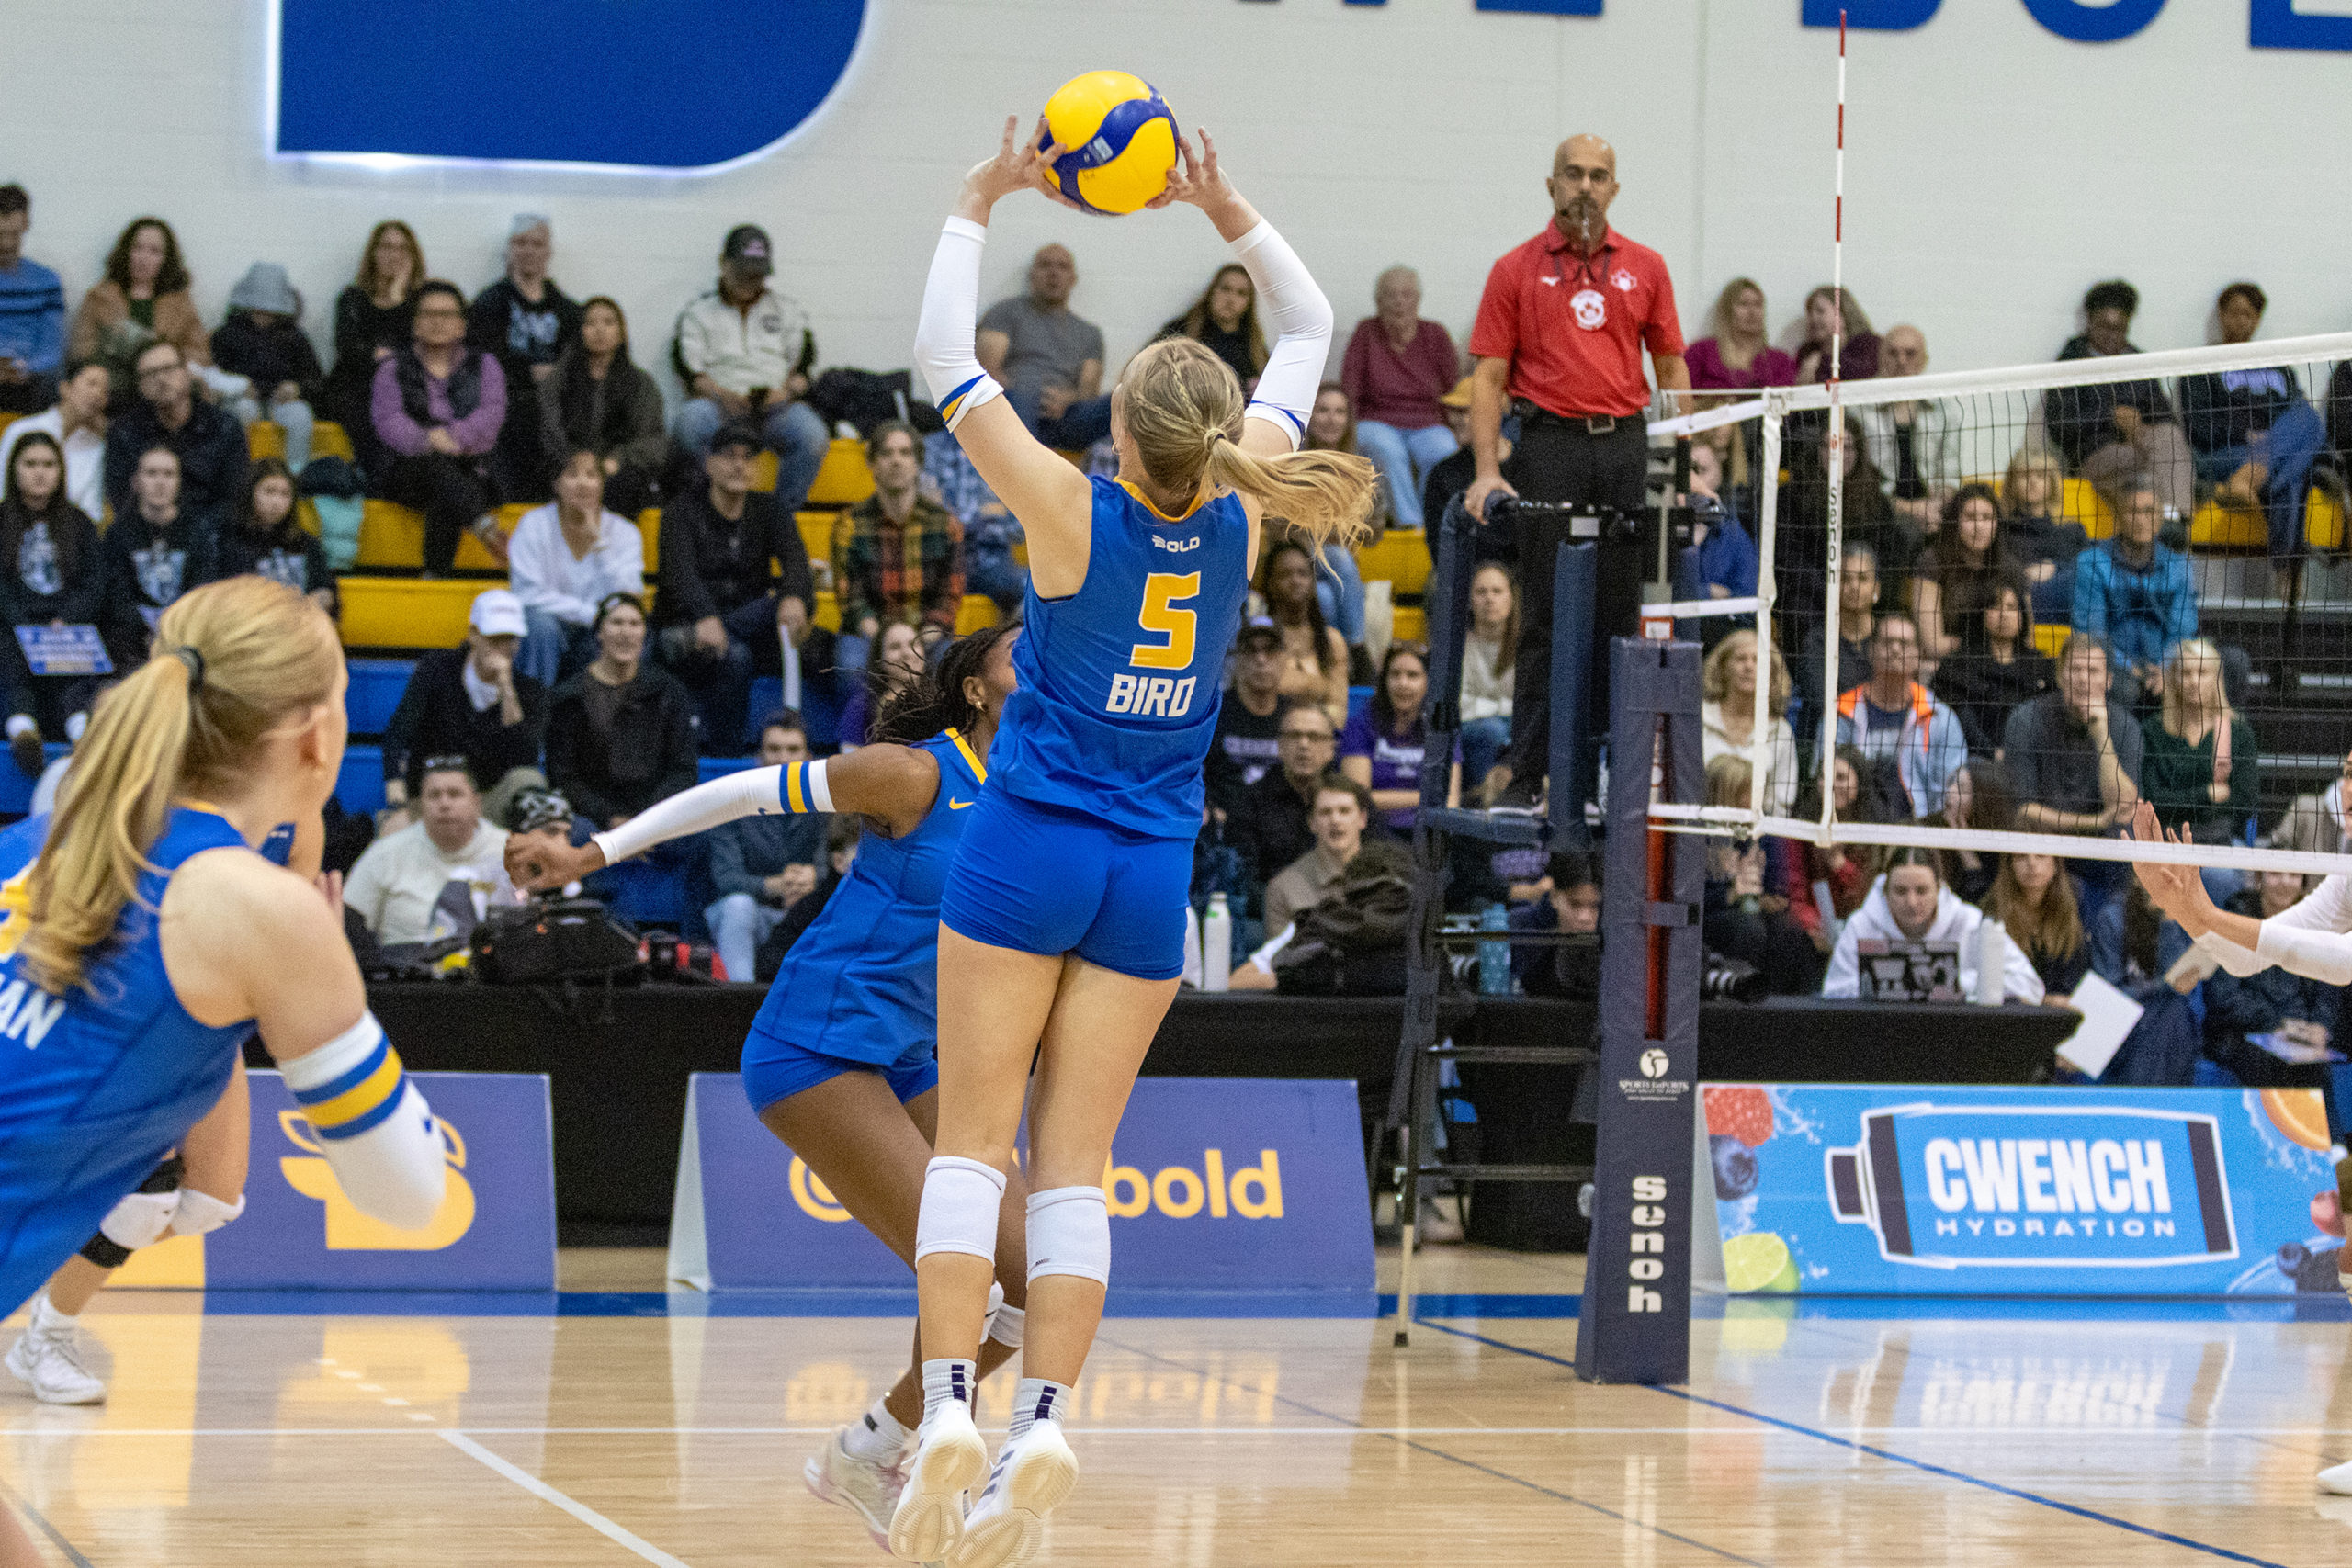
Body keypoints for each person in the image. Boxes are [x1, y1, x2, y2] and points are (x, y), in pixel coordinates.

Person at [893, 117, 1373, 1564]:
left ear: (1116, 433)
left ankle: (946, 1410)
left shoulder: (1066, 507)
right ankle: (1042, 1418)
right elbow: (1311, 319)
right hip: (1149, 874)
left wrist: (978, 194)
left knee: (972, 1145)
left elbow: (940, 356)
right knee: (1075, 1167)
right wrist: (1224, 202)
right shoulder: (1239, 500)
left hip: (1029, 846)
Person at [505, 628, 1034, 1553]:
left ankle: (868, 1446)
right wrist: (595, 852)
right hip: (816, 1046)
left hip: (915, 1050)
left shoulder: (1044, 794)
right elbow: (744, 793)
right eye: (1020, 655)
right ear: (976, 690)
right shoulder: (915, 773)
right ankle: (892, 1451)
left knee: (1033, 1279)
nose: (1044, 665)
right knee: (967, 1272)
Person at [0, 576, 449, 1565]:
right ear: (318, 736)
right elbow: (410, 1193)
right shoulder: (259, 909)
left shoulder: (46, 841)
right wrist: (324, 999)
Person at [1465, 132, 1688, 809]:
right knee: (1545, 617)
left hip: (1624, 446)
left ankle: (1611, 776)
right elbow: (1489, 378)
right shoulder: (1514, 269)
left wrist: (1680, 466)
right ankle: (1527, 775)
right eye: (1573, 174)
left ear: (1614, 188)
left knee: (1620, 622)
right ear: (1552, 185)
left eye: (1597, 175)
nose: (1585, 186)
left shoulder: (1647, 267)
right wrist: (1486, 470)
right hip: (1549, 445)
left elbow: (1671, 367)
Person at [5, 1066, 249, 1404]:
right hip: (119, 1038)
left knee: (207, 1203)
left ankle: (45, 1319)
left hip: (216, 1039)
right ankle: (51, 1333)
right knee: (143, 1200)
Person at [653, 423, 817, 748]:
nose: (739, 465)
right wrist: (705, 616)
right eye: (729, 456)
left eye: (748, 458)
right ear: (709, 463)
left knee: (806, 620)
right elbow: (679, 577)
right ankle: (726, 754)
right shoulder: (680, 512)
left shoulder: (770, 508)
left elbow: (797, 563)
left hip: (745, 624)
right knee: (736, 655)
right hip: (690, 623)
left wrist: (794, 597)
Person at [672, 224, 829, 514]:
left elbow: (804, 370)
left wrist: (786, 392)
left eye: (757, 274)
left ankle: (779, 517)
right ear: (724, 264)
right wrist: (720, 394)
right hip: (720, 407)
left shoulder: (787, 310)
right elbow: (691, 372)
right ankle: (707, 514)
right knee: (689, 422)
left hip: (775, 409)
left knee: (812, 434)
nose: (750, 281)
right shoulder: (698, 313)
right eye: (743, 272)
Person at [2180, 281, 2327, 575]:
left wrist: (2269, 443)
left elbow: (2296, 420)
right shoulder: (2200, 364)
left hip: (2270, 452)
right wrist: (2244, 435)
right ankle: (2286, 576)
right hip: (2225, 454)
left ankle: (2250, 476)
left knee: (2308, 419)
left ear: (2258, 319)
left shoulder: (2278, 366)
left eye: (2248, 314)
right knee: (2295, 471)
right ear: (2221, 315)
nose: (2241, 320)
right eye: (2234, 312)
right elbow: (2198, 427)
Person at [379, 589, 550, 829]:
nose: (502, 648)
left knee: (529, 779)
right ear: (473, 635)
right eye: (494, 638)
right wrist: (395, 784)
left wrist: (507, 691)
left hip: (489, 804)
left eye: (510, 639)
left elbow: (526, 759)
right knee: (394, 825)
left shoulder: (529, 691)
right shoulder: (435, 671)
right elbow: (399, 730)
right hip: (437, 795)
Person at [370, 280, 506, 574]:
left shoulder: (486, 365)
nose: (438, 322)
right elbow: (388, 420)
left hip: (472, 465)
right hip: (410, 471)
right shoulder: (391, 368)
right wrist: (427, 439)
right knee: (438, 468)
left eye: (446, 314)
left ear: (462, 325)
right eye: (429, 314)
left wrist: (453, 436)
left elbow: (492, 414)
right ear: (415, 324)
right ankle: (483, 527)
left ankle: (436, 575)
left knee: (447, 487)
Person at [2007, 632, 2142, 913]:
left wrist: (2102, 735)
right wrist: (2094, 822)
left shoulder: (2126, 726)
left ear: (2109, 680)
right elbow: (2024, 809)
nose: (2083, 679)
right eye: (2075, 669)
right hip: (2046, 847)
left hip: (2104, 854)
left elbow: (2123, 806)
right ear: (2060, 676)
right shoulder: (2026, 719)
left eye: (2093, 671)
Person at [546, 593, 699, 829]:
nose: (626, 632)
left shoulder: (669, 691)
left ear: (644, 634)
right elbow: (562, 776)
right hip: (592, 817)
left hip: (655, 816)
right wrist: (609, 818)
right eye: (616, 623)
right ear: (599, 632)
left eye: (634, 624)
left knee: (698, 837)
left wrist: (647, 821)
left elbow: (683, 769)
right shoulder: (569, 696)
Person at [0, 431, 104, 774]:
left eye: (48, 464)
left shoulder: (80, 524)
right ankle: (22, 729)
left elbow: (94, 583)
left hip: (66, 626)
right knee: (10, 652)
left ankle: (82, 733)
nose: (39, 473)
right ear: (14, 470)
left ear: (60, 471)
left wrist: (67, 618)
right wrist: (21, 622)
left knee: (74, 656)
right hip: (12, 624)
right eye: (30, 464)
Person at [2045, 280, 2192, 517]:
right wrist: (2110, 417)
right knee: (2139, 466)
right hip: (2095, 452)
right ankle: (2162, 520)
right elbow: (2060, 425)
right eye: (2104, 327)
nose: (2111, 336)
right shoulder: (2070, 361)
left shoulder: (2137, 360)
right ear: (2090, 322)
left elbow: (2164, 414)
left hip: (2141, 444)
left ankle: (2175, 519)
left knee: (2170, 437)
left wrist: (2138, 425)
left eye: (2119, 329)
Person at [1822, 847, 2043, 1001]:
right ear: (1885, 891)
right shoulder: (1862, 925)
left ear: (1938, 889)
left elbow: (2030, 986)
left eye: (1922, 890)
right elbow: (1833, 991)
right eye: (1900, 891)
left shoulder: (1968, 921)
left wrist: (1954, 984)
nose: (1911, 902)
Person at [699, 714, 827, 983]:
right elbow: (726, 879)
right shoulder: (731, 802)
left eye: (793, 750)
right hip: (752, 915)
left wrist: (815, 878)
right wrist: (778, 885)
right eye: (774, 749)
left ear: (808, 757)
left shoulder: (827, 804)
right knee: (737, 905)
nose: (783, 758)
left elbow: (840, 864)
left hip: (806, 912)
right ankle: (740, 998)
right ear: (759, 756)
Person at [832, 422, 965, 677]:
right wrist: (889, 642)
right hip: (871, 634)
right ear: (872, 463)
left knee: (950, 667)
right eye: (886, 453)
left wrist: (916, 643)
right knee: (850, 667)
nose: (896, 461)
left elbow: (948, 597)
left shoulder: (947, 524)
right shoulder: (849, 524)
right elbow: (851, 599)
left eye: (905, 453)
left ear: (918, 464)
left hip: (928, 635)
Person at [508, 447, 648, 690]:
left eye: (591, 475)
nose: (583, 483)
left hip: (597, 630)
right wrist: (589, 614)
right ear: (556, 484)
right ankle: (536, 707)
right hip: (550, 627)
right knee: (540, 626)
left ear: (602, 484)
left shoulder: (626, 532)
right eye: (572, 474)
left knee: (621, 631)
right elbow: (527, 593)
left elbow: (628, 597)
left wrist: (600, 545)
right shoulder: (533, 525)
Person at [467, 214, 582, 502]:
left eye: (536, 244)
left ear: (548, 252)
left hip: (555, 406)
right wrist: (527, 373)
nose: (528, 250)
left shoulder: (569, 311)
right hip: (504, 404)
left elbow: (577, 365)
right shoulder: (488, 303)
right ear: (509, 249)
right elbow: (479, 360)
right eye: (520, 243)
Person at [342, 759, 514, 947]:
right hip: (406, 961)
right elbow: (345, 927)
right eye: (434, 796)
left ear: (477, 803)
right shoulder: (384, 854)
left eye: (455, 794)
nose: (444, 804)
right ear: (420, 806)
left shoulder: (510, 850)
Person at [1340, 266, 1461, 533]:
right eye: (1390, 295)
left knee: (1444, 450)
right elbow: (1350, 387)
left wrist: (1456, 427)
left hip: (1427, 421)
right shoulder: (1366, 332)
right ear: (1378, 301)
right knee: (1387, 450)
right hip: (1376, 419)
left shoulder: (1436, 334)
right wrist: (1347, 431)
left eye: (1406, 295)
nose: (1399, 302)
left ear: (1418, 300)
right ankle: (1411, 525)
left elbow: (1454, 389)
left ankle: (1435, 523)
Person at [2072, 480, 2197, 710]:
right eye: (2133, 511)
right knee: (2123, 688)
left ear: (2160, 517)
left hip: (2165, 666)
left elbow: (2182, 630)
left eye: (2149, 511)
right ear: (2119, 516)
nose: (2141, 520)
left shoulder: (2179, 566)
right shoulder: (2092, 563)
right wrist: (2131, 669)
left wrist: (2166, 668)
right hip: (2113, 667)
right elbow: (2092, 633)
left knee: (2226, 665)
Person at [540, 296, 670, 517]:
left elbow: (654, 442)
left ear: (621, 333)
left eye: (609, 323)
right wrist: (577, 465)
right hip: (567, 466)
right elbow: (550, 431)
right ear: (579, 332)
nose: (599, 330)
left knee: (627, 484)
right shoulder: (559, 381)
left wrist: (617, 459)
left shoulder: (640, 383)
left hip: (617, 471)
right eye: (590, 323)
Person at [1701, 755, 1818, 994]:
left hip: (1752, 914)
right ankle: (1740, 994)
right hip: (1711, 919)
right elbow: (1690, 901)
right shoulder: (1695, 836)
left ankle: (1777, 1004)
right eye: (1746, 793)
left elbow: (1777, 887)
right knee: (1749, 929)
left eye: (1755, 793)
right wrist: (1730, 894)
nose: (1753, 801)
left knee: (1790, 933)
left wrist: (1772, 898)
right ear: (1726, 795)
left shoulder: (1764, 833)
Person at [1834, 613, 1967, 819]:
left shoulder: (1941, 718)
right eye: (1887, 642)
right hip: (1854, 828)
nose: (1895, 649)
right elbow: (1823, 782)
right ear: (1871, 651)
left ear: (1918, 655)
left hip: (1921, 830)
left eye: (1904, 644)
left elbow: (1951, 787)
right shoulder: (1841, 713)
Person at [100, 445, 220, 671]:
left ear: (179, 482)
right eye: (151, 473)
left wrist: (174, 631)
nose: (160, 482)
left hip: (186, 638)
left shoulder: (198, 531)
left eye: (169, 474)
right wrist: (143, 632)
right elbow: (117, 595)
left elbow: (202, 588)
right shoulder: (118, 533)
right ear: (136, 481)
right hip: (132, 643)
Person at [104, 340, 248, 525]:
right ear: (141, 387)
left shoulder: (224, 427)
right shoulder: (124, 433)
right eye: (151, 374)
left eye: (168, 369)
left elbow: (235, 499)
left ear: (186, 373)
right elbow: (122, 500)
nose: (161, 379)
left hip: (211, 533)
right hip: (147, 531)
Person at [978, 243, 1106, 449]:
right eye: (1045, 265)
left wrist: (1067, 399)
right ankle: (1024, 459)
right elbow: (985, 372)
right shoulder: (1005, 313)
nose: (1054, 273)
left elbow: (1088, 392)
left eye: (1062, 267)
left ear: (1073, 279)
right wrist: (1026, 393)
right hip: (1013, 408)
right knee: (1027, 385)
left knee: (1121, 401)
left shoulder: (1090, 333)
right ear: (1032, 275)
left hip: (1066, 418)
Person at [68, 217, 212, 393]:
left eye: (154, 252)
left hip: (163, 388)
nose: (143, 258)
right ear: (126, 252)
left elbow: (198, 354)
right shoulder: (99, 297)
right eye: (137, 248)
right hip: (113, 387)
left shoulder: (180, 304)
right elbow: (82, 353)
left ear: (166, 260)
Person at [328, 220, 426, 474]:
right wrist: (384, 357)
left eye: (402, 249)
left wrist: (397, 298)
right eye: (386, 247)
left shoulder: (421, 304)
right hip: (356, 389)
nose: (394, 255)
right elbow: (349, 349)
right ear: (373, 253)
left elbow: (419, 354)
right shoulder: (352, 298)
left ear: (412, 257)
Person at [2140, 637, 2257, 844]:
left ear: (2216, 678)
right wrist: (2207, 794)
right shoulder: (2153, 730)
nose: (2194, 681)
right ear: (2175, 678)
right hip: (2164, 840)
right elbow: (2153, 800)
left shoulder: (2238, 732)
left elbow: (2245, 802)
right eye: (2186, 673)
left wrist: (2178, 802)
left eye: (2202, 673)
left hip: (2218, 841)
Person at [210, 263, 323, 473]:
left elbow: (316, 380)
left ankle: (294, 475)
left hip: (283, 401)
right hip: (241, 399)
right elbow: (213, 376)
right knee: (241, 411)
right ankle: (238, 473)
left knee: (301, 416)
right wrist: (236, 387)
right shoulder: (227, 335)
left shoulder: (295, 338)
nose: (263, 313)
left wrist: (297, 389)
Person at [1295, 382, 1377, 654]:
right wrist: (1335, 530)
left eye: (1340, 412)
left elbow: (1374, 529)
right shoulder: (1291, 461)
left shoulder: (1362, 466)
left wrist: (1332, 529)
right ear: (1309, 416)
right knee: (1338, 557)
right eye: (1323, 410)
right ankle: (1357, 649)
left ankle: (1333, 660)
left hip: (1342, 567)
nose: (1332, 419)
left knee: (1326, 598)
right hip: (1300, 556)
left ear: (1348, 419)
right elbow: (1283, 525)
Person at [1228, 701, 1339, 903]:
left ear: (1331, 749)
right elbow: (1242, 879)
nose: (1304, 745)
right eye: (1294, 736)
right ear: (1279, 746)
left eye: (1314, 737)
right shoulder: (1251, 802)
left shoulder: (1349, 800)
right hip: (1273, 908)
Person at [1932, 573, 2052, 758]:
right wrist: (1993, 753)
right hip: (1974, 758)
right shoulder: (1959, 663)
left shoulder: (2039, 665)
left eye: (2011, 607)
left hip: (2029, 758)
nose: (2004, 615)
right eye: (1995, 606)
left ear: (2022, 616)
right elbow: (1961, 719)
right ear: (1981, 613)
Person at [1340, 642, 1455, 831]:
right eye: (1395, 674)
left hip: (1427, 832)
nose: (1403, 683)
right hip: (1374, 830)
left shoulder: (1441, 729)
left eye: (1412, 675)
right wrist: (1424, 798)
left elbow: (1450, 802)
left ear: (1429, 682)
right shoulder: (1360, 724)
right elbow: (1357, 799)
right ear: (1384, 680)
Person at [1854, 325, 1955, 529]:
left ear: (1924, 360)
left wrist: (1934, 506)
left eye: (1910, 353)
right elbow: (1857, 481)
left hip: (1932, 510)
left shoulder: (1944, 408)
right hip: (1879, 511)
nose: (1901, 361)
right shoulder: (1858, 407)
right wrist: (1909, 509)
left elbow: (1951, 469)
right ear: (1881, 358)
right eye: (1893, 353)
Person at [216, 457, 335, 615]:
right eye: (269, 491)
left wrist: (321, 598)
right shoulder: (228, 540)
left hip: (299, 625)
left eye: (285, 494)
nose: (277, 502)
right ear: (251, 493)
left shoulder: (307, 543)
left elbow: (327, 591)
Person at [1913, 483, 2012, 669]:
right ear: (1955, 522)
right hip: (1946, 667)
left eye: (1987, 517)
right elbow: (1932, 644)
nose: (1979, 526)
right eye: (1970, 517)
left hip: (1998, 668)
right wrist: (1992, 646)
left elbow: (2025, 640)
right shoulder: (1933, 562)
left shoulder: (2009, 568)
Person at [1700, 628, 1797, 818]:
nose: (1749, 667)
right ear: (1723, 667)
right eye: (1740, 659)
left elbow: (1781, 802)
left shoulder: (1781, 731)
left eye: (1757, 660)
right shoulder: (1700, 719)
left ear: (1771, 674)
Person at [1262, 773, 1374, 935]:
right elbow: (1280, 951)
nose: (1335, 820)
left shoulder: (1387, 880)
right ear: (1312, 823)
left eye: (1344, 811)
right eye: (1325, 812)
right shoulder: (1284, 889)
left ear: (1362, 819)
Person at [1254, 536, 1347, 727]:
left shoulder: (1332, 640)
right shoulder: (1258, 637)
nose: (1295, 581)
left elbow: (1338, 712)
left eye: (1303, 574)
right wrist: (1317, 686)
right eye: (1285, 574)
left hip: (1317, 735)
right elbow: (1258, 696)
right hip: (1268, 733)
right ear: (1270, 584)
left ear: (1313, 583)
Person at [0, 357, 107, 520]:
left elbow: (92, 511)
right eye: (92, 384)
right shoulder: (22, 429)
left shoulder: (98, 446)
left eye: (105, 391)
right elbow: (2, 489)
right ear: (65, 388)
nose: (98, 394)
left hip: (71, 530)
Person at [1796, 540, 1880, 745]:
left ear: (1876, 589)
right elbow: (1823, 703)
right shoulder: (1817, 642)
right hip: (1833, 735)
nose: (1854, 586)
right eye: (1845, 579)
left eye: (1862, 579)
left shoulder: (1888, 638)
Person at [1204, 622, 1286, 820]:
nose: (1261, 659)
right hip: (1223, 821)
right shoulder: (1213, 713)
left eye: (1270, 650)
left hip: (1281, 824)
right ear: (1237, 658)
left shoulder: (1296, 717)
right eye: (1251, 650)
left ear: (1284, 658)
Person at [2001, 443, 2086, 624]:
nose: (2032, 482)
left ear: (2052, 483)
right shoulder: (2001, 532)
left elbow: (2092, 570)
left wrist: (2055, 567)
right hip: (2022, 608)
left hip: (2072, 612)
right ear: (2012, 484)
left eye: (2040, 476)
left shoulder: (2072, 531)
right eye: (2025, 476)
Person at [0, 185, 65, 414]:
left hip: (29, 376)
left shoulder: (47, 281)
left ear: (25, 225)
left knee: (52, 378)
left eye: (13, 234)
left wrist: (25, 367)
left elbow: (52, 346)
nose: (5, 244)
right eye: (0, 234)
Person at [1156, 262, 1264, 389]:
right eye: (1225, 289)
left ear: (1249, 302)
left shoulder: (1254, 345)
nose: (1231, 299)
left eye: (1241, 293)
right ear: (1212, 291)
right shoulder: (1180, 331)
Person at [1512, 849, 1603, 1000]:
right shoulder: (1529, 948)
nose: (1585, 918)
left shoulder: (1614, 960)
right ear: (1554, 897)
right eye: (1575, 904)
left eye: (1594, 906)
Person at [1460, 561, 1517, 795]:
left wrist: (1492, 709)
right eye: (1481, 592)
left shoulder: (1527, 648)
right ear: (1470, 600)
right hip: (1474, 729)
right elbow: (1460, 704)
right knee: (1491, 731)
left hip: (1513, 725)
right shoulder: (1460, 646)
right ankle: (1487, 796)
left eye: (1497, 591)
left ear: (1511, 598)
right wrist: (1504, 710)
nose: (1489, 599)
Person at [1684, 277, 1797, 392]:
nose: (1752, 312)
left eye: (1758, 305)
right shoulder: (1701, 353)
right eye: (1743, 304)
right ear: (1727, 310)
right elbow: (1684, 396)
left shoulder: (1780, 361)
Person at [840, 619, 929, 751]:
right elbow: (849, 758)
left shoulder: (942, 700)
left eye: (913, 644)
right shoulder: (861, 706)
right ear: (880, 659)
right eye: (895, 647)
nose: (907, 653)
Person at [1683, 440, 1758, 599]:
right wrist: (1709, 592)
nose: (1693, 480)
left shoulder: (1733, 535)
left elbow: (1748, 602)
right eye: (1687, 471)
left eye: (1701, 470)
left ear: (1719, 474)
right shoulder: (1663, 527)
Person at [1792, 285, 1879, 386]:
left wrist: (1822, 361)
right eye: (1809, 313)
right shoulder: (1806, 352)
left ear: (1842, 315)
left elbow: (1862, 374)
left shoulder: (1868, 344)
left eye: (1820, 311)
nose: (1813, 318)